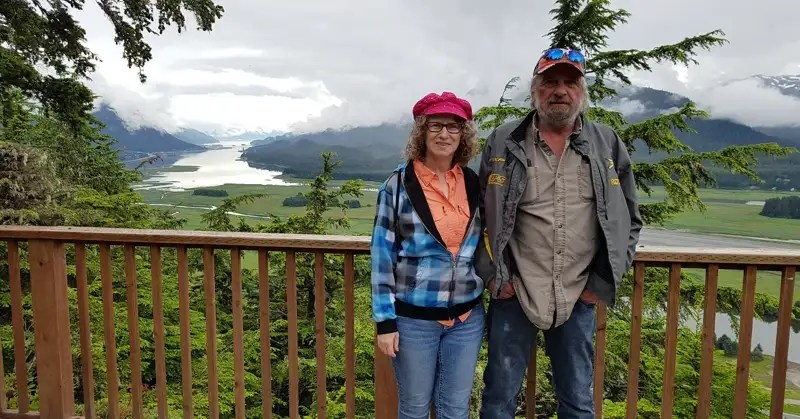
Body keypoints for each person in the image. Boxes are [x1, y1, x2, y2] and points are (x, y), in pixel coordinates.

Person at [475, 47, 642, 418]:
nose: (560, 91)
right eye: (550, 82)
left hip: (578, 293)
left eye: (570, 82)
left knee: (578, 400)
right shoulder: (503, 140)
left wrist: (598, 285)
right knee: (499, 396)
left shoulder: (607, 143)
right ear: (535, 89)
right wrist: (494, 276)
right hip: (514, 291)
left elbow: (629, 218)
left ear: (582, 91)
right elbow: (479, 214)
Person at [370, 91, 486, 419]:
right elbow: (382, 255)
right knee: (415, 407)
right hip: (412, 321)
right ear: (421, 131)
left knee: (455, 408)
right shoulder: (398, 184)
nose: (444, 134)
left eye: (453, 127)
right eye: (435, 125)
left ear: (464, 135)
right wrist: (385, 321)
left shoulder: (473, 182)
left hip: (467, 319)